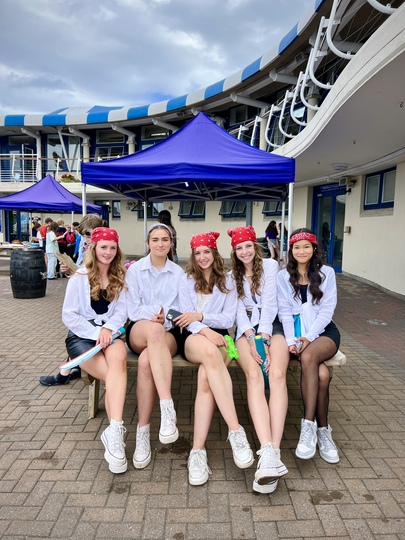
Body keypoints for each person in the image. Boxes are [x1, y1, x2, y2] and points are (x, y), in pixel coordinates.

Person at [172, 231, 254, 486]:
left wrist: (201, 316)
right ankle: (235, 430)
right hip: (193, 337)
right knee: (208, 353)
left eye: (207, 251)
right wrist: (204, 328)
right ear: (193, 256)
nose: (202, 257)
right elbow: (184, 318)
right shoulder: (186, 280)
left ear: (215, 253)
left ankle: (197, 451)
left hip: (223, 338)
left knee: (206, 378)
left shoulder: (228, 280)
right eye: (197, 253)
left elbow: (229, 319)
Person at [61, 227, 128, 473]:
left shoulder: (120, 276)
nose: (108, 252)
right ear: (94, 248)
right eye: (103, 247)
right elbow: (69, 315)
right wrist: (96, 333)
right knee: (114, 377)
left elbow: (122, 311)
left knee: (119, 360)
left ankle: (114, 432)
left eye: (112, 248)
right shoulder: (79, 277)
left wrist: (108, 329)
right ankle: (115, 432)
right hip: (82, 337)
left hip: (110, 334)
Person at [228, 226, 290, 495]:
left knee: (276, 374)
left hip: (272, 325)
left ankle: (273, 453)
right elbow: (238, 310)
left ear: (255, 246)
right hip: (246, 329)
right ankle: (266, 449)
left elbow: (271, 303)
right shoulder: (231, 275)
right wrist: (251, 336)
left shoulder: (271, 266)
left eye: (248, 246)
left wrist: (263, 337)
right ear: (234, 251)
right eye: (239, 248)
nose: (244, 252)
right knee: (253, 375)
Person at [277, 228, 341, 464]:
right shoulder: (283, 277)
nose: (301, 251)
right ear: (291, 250)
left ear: (314, 249)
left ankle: (307, 425)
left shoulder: (327, 273)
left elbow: (327, 310)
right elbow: (284, 313)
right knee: (322, 375)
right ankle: (323, 431)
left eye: (306, 246)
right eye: (296, 247)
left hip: (323, 333)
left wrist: (309, 337)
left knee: (308, 357)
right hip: (296, 334)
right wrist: (291, 340)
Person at [126, 223, 184, 469]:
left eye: (165, 240)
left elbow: (181, 309)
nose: (160, 244)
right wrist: (155, 315)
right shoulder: (135, 270)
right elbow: (132, 309)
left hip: (168, 331)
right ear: (147, 243)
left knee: (146, 361)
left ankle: (142, 433)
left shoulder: (179, 273)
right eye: (155, 240)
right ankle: (167, 407)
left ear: (171, 243)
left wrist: (165, 318)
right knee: (154, 329)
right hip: (140, 329)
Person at [39, 214, 103, 386]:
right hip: (86, 300)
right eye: (85, 234)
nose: (87, 238)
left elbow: (99, 277)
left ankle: (64, 373)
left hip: (98, 305)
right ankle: (68, 370)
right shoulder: (86, 247)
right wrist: (69, 270)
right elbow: (82, 274)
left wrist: (77, 273)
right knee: (75, 329)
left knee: (75, 332)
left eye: (90, 234)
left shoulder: (104, 249)